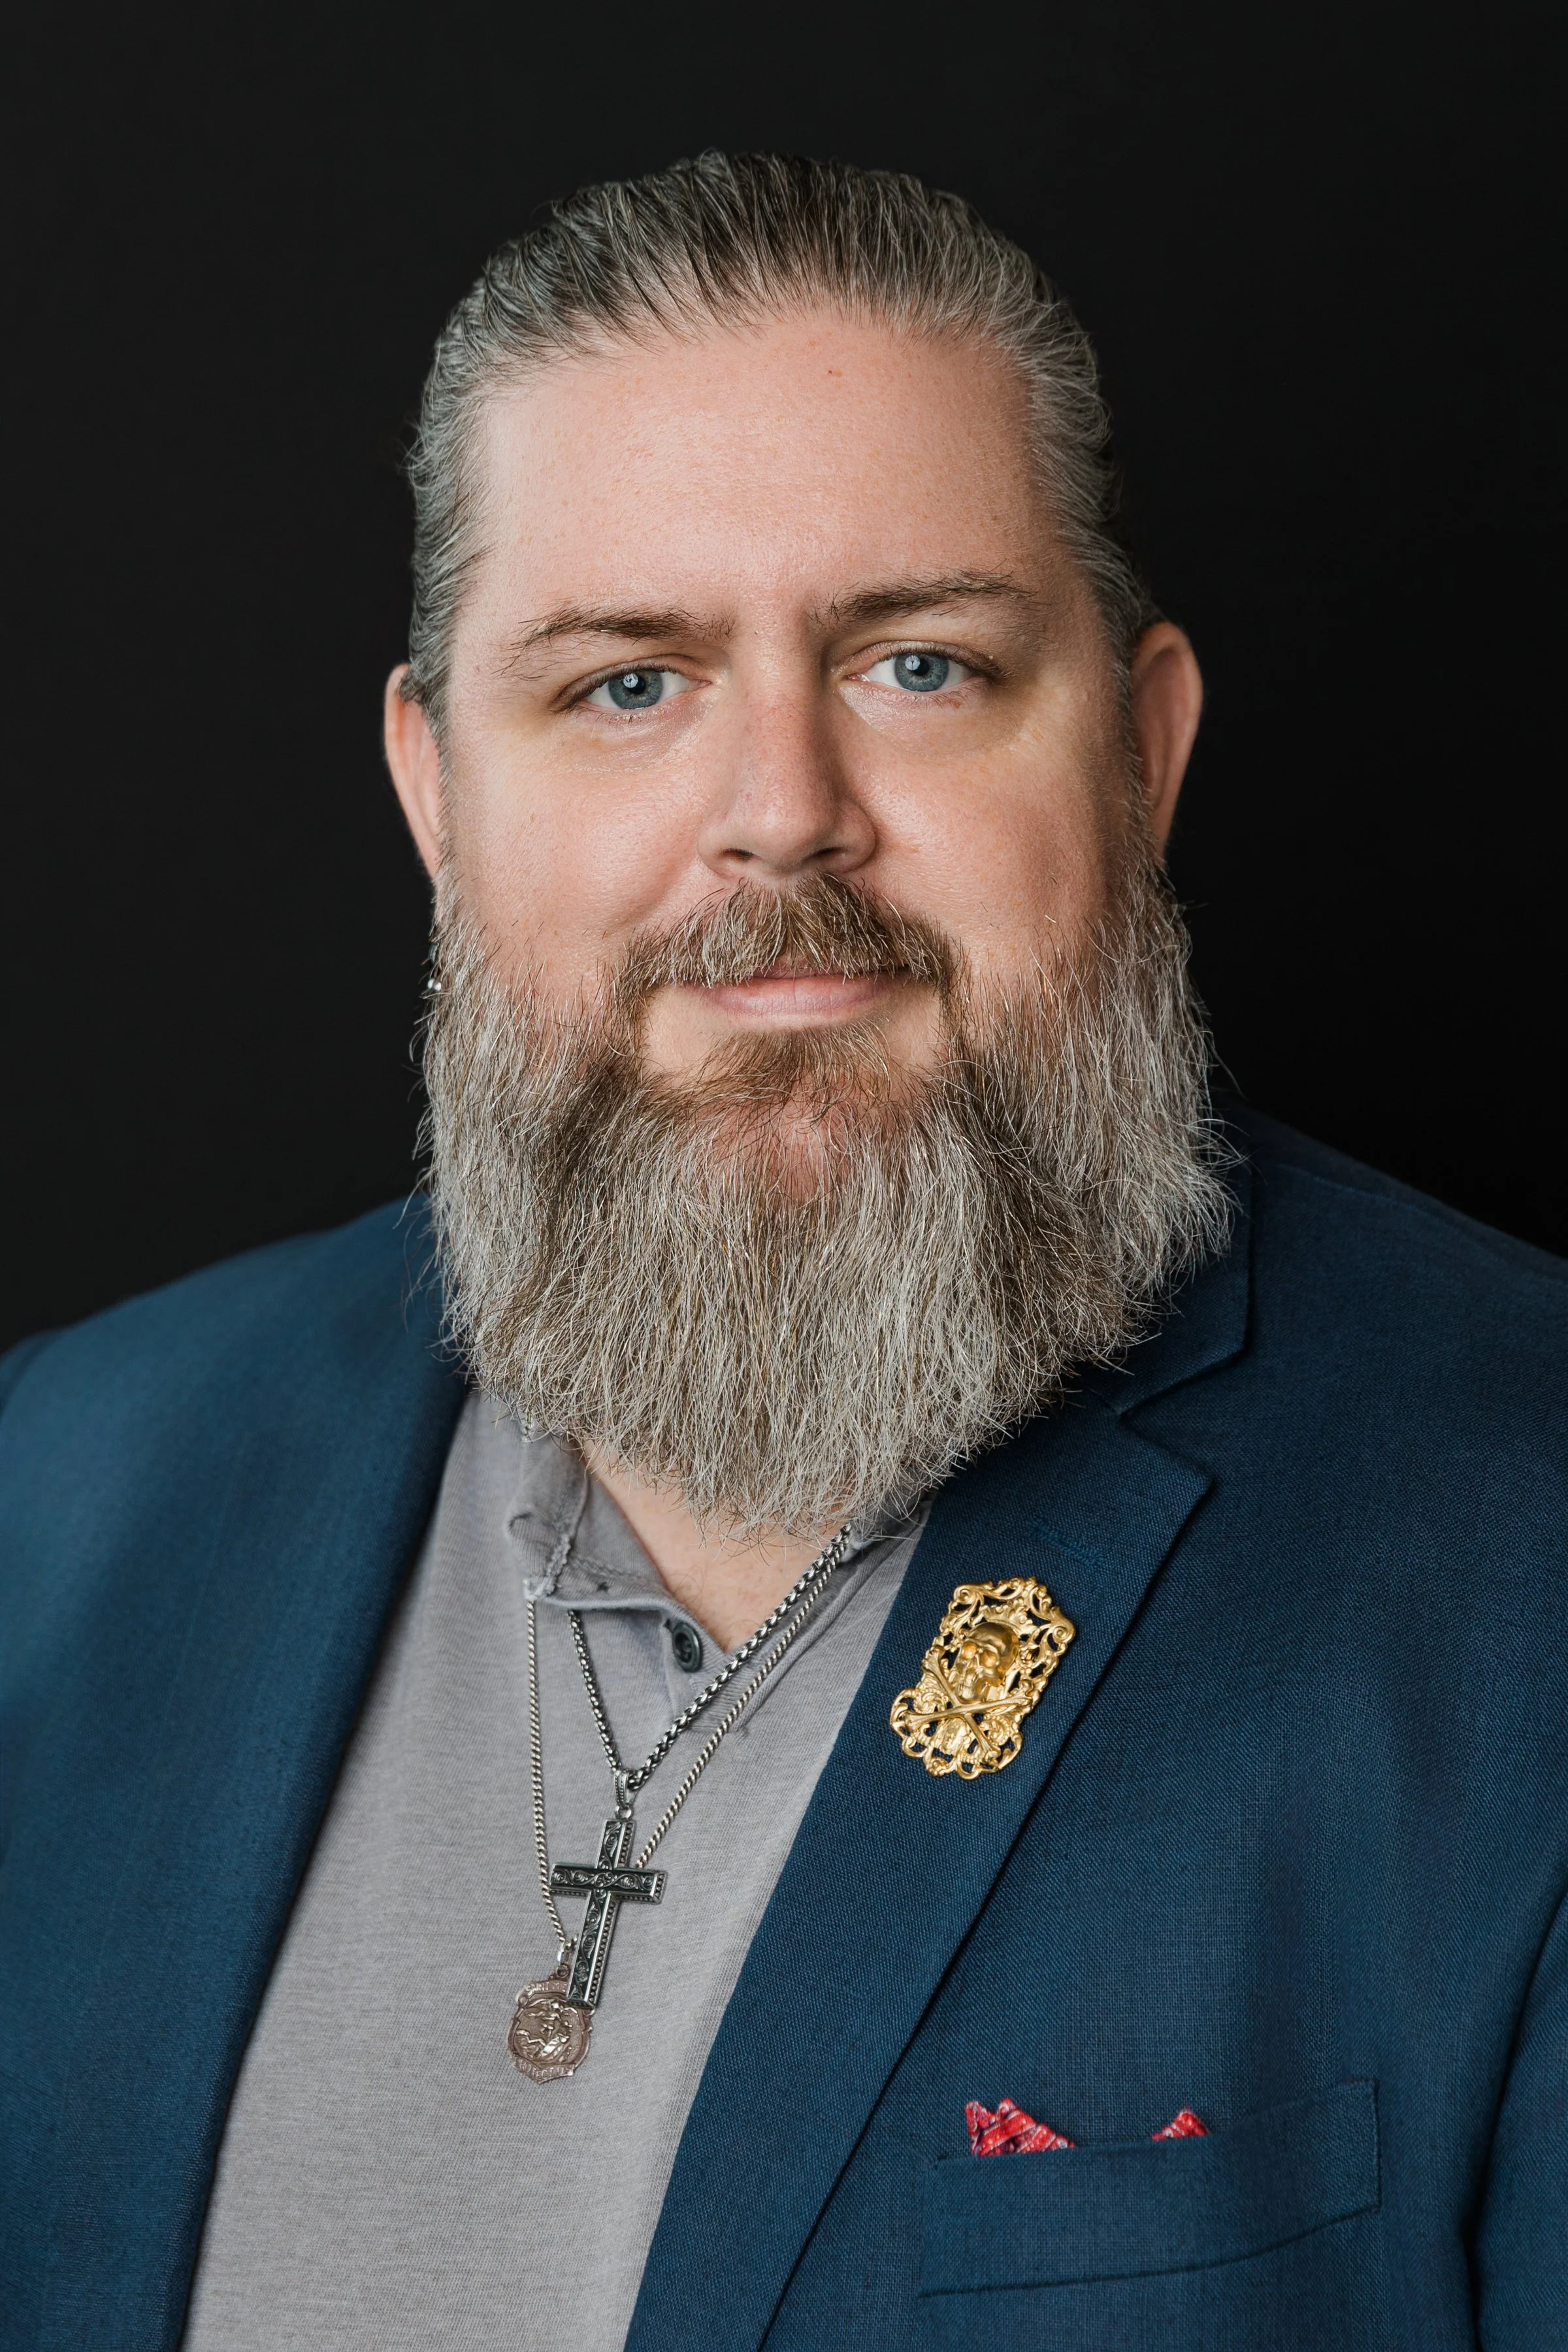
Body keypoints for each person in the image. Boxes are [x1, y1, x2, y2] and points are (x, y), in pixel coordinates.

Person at [2, 152, 1563, 2352]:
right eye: (626, 684)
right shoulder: (54, 1494)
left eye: (920, 664)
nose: (781, 809)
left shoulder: (1530, 1563)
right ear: (438, 793)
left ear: (1140, 749)